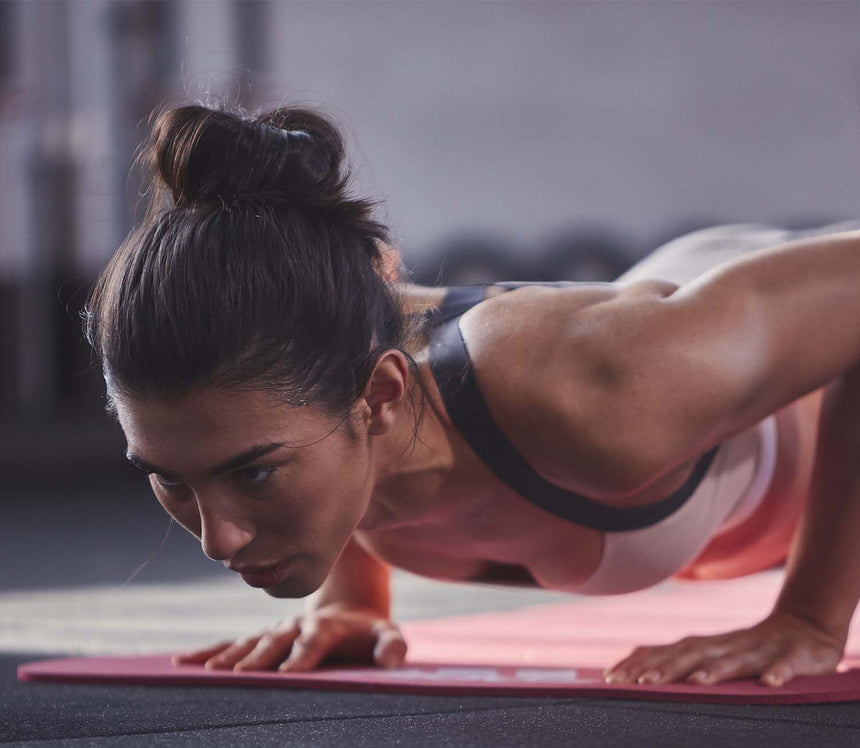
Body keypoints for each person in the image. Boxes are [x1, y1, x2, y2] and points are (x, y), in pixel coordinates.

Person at [85, 101, 860, 688]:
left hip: (754, 318)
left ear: (378, 399)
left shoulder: (601, 395)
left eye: (253, 473)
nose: (217, 541)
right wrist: (349, 603)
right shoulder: (319, 389)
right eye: (170, 479)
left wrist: (812, 617)